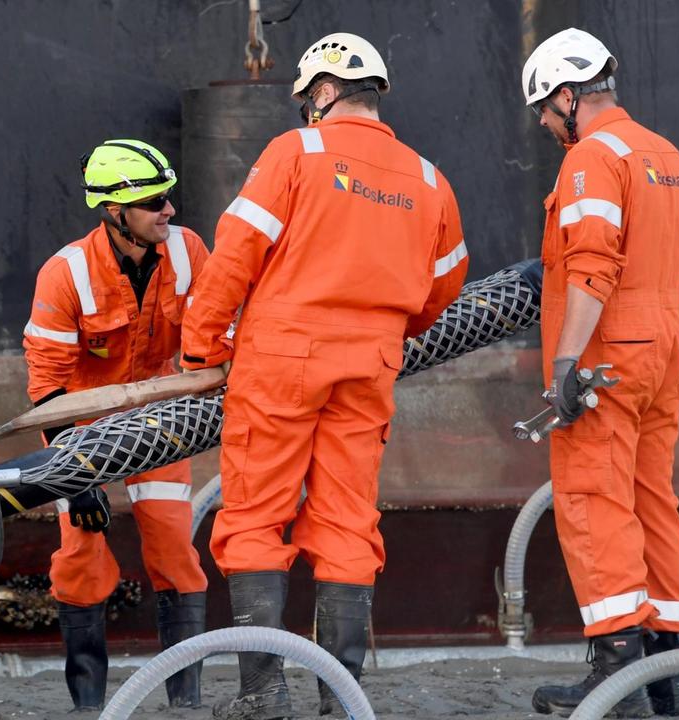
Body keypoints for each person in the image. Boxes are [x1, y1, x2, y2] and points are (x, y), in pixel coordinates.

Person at [180, 32, 469, 718]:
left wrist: (200, 350)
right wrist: (394, 326)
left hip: (281, 358)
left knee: (253, 517)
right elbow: (445, 281)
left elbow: (235, 256)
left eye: (308, 96)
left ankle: (264, 693)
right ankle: (341, 700)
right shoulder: (429, 179)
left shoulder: (296, 153)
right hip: (369, 366)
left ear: (324, 91)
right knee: (347, 523)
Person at [521, 27, 679, 717]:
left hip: (609, 349)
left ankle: (615, 672)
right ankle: (669, 675)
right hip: (666, 344)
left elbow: (593, 266)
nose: (543, 121)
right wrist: (664, 334)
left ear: (570, 96)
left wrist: (569, 360)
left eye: (545, 106)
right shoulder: (671, 158)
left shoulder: (591, 159)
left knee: (594, 498)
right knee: (652, 497)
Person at [22, 139, 210, 711]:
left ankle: (186, 703)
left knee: (177, 550)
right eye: (154, 202)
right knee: (80, 555)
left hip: (161, 415)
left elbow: (217, 337)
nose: (169, 211)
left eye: (169, 198)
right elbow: (47, 388)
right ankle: (89, 708)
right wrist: (75, 478)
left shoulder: (190, 252)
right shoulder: (65, 274)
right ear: (113, 210)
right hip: (80, 424)